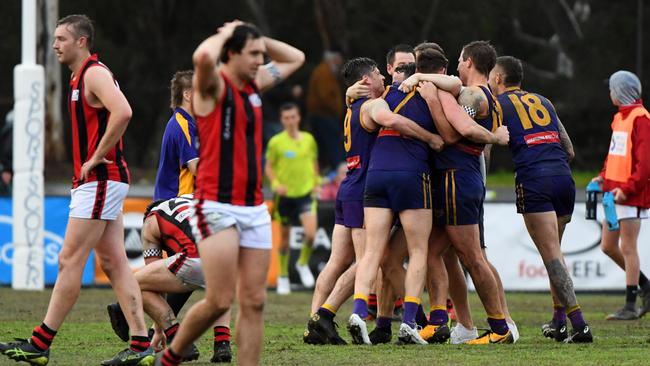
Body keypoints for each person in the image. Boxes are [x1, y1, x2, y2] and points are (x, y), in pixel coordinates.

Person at [0, 14, 154, 366]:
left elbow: (124, 111)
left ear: (81, 42)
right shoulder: (79, 76)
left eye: (61, 39)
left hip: (100, 179)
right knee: (114, 263)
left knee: (69, 260)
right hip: (100, 180)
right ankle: (142, 343)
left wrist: (96, 156)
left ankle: (40, 344)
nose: (55, 45)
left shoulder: (94, 74)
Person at [156, 21, 304, 366]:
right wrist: (228, 33)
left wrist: (258, 38)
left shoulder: (254, 84)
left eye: (260, 54)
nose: (259, 59)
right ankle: (172, 355)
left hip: (252, 207)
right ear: (232, 54)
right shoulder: (211, 86)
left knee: (254, 302)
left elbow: (296, 57)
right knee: (219, 301)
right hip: (216, 206)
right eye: (251, 54)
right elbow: (202, 55)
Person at [489, 55, 592, 342]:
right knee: (554, 252)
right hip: (563, 178)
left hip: (535, 179)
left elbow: (489, 142)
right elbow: (568, 148)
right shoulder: (543, 101)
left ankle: (579, 324)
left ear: (498, 78)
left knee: (550, 255)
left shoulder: (497, 104)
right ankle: (559, 322)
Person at [106, 196, 233, 363]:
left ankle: (175, 336)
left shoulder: (151, 219)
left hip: (196, 257)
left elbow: (154, 284)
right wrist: (158, 330)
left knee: (131, 284)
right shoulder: (192, 200)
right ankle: (222, 343)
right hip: (230, 256)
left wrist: (160, 327)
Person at [593, 70, 650, 320]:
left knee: (627, 246)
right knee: (608, 246)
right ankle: (646, 287)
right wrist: (603, 176)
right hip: (613, 194)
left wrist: (627, 190)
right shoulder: (620, 118)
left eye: (612, 88)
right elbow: (615, 154)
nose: (609, 93)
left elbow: (645, 163)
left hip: (629, 194)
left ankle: (630, 304)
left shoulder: (641, 118)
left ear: (621, 91)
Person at [265, 102, 320, 294]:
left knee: (311, 234)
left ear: (298, 117)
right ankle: (282, 276)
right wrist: (275, 184)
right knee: (285, 239)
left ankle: (302, 263)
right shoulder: (276, 142)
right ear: (282, 120)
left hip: (305, 194)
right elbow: (269, 167)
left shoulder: (309, 139)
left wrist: (316, 182)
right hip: (285, 197)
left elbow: (313, 163)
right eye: (286, 118)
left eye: (293, 117)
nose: (290, 121)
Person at [153, 70, 199, 201]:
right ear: (187, 95)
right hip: (176, 204)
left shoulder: (184, 122)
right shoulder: (183, 124)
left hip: (171, 203)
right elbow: (196, 168)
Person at [306, 49, 345, 171]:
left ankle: (328, 169)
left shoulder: (327, 71)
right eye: (338, 59)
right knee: (332, 144)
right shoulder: (324, 72)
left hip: (324, 114)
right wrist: (336, 109)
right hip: (324, 114)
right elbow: (325, 96)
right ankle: (337, 171)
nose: (340, 62)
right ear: (333, 59)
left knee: (325, 144)